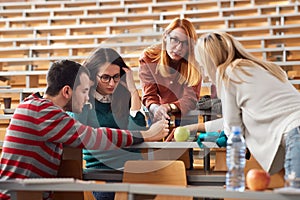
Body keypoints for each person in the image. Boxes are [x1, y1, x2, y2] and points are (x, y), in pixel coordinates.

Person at [0, 60, 169, 200]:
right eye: (84, 91)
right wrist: (145, 134)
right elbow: (94, 136)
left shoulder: (36, 106)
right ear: (67, 91)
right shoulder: (44, 112)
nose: (87, 97)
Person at [195, 31, 300, 185]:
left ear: (211, 61)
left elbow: (233, 129)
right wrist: (197, 128)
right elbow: (241, 118)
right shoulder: (262, 68)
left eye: (204, 66)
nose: (205, 74)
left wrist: (225, 136)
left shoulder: (226, 73)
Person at [71, 48, 146, 200]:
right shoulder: (82, 100)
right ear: (92, 77)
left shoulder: (125, 95)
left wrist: (133, 91)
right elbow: (78, 133)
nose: (112, 83)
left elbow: (139, 133)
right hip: (101, 170)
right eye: (105, 77)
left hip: (132, 167)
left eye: (116, 77)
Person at [139, 17, 202, 126]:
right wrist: (157, 109)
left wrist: (169, 107)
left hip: (186, 116)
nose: (178, 48)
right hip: (157, 113)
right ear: (165, 37)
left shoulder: (195, 61)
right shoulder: (148, 58)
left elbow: (190, 99)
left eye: (185, 43)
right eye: (175, 39)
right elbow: (149, 96)